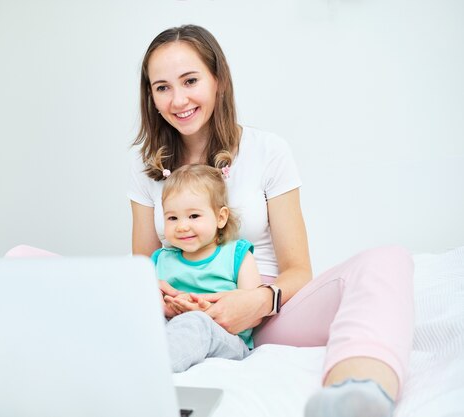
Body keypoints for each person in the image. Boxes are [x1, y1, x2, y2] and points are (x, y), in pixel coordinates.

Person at [128, 24, 414, 417]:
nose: (178, 99)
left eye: (190, 80)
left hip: (270, 310)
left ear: (219, 80)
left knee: (389, 260)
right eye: (162, 87)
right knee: (26, 256)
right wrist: (167, 299)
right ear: (151, 96)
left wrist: (256, 302)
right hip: (186, 313)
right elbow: (140, 269)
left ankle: (358, 390)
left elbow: (298, 270)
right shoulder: (147, 168)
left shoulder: (268, 151)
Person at [152, 163, 261, 372]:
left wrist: (207, 311)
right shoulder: (160, 260)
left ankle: (154, 370)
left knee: (196, 322)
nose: (182, 226)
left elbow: (250, 311)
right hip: (169, 332)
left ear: (220, 217)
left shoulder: (236, 255)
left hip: (225, 337)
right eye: (172, 218)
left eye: (194, 216)